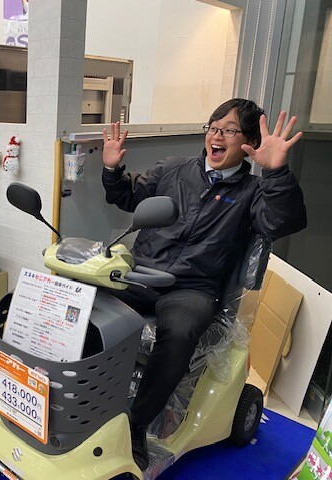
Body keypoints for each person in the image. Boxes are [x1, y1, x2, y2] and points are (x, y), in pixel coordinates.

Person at [101, 98, 306, 471]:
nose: (217, 136)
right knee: (84, 299)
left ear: (249, 143)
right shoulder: (172, 169)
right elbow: (126, 196)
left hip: (192, 289)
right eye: (213, 128)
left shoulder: (253, 191)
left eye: (229, 130)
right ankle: (86, 397)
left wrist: (276, 173)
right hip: (142, 274)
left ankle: (136, 424)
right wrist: (112, 169)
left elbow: (281, 222)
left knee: (179, 332)